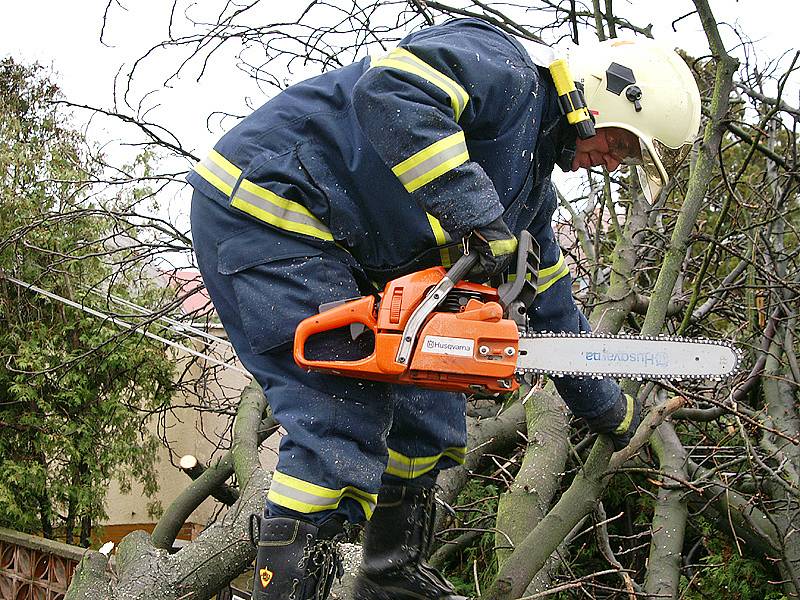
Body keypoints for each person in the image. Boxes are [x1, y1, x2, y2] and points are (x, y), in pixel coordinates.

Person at [187, 17, 701, 600]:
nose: (613, 162)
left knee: (430, 407)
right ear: (608, 99)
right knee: (340, 411)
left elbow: (555, 311)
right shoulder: (503, 68)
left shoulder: (529, 193)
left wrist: (612, 411)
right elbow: (391, 91)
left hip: (343, 245)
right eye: (623, 144)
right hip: (269, 208)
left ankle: (389, 576)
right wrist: (476, 217)